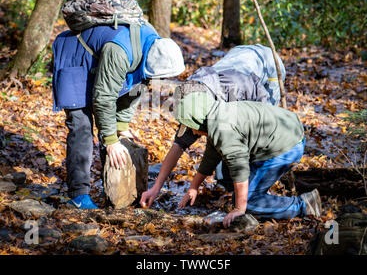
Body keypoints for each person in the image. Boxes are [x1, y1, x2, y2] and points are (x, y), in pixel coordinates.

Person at [52, 14, 185, 209]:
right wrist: (110, 140)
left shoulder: (154, 44)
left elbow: (137, 86)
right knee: (82, 127)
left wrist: (121, 126)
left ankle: (114, 194)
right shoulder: (120, 51)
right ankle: (78, 195)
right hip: (76, 59)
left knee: (114, 133)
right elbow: (104, 97)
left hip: (100, 63)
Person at [140, 44, 286, 208]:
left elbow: (264, 116)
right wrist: (156, 187)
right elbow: (178, 144)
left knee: (245, 143)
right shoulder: (191, 98)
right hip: (238, 54)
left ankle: (255, 193)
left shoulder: (232, 96)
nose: (194, 132)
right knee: (224, 155)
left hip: (267, 64)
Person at [174, 91, 321, 227]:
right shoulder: (218, 115)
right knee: (227, 177)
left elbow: (239, 169)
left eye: (190, 126)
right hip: (286, 132)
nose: (192, 131)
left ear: (199, 120)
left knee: (249, 202)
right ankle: (260, 194)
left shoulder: (224, 130)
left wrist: (239, 208)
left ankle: (303, 205)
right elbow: (211, 157)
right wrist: (193, 187)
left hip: (287, 146)